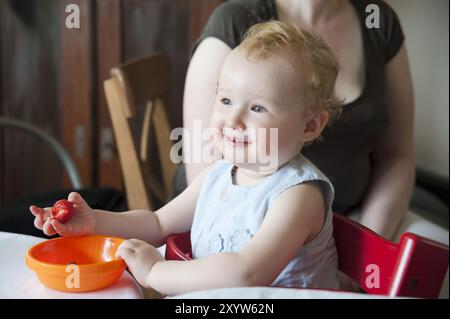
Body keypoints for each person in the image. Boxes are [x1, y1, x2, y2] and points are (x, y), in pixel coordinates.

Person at [30, 21, 342, 295]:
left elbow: (248, 272)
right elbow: (157, 222)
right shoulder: (220, 173)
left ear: (310, 125)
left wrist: (156, 272)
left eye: (258, 108)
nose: (232, 120)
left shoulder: (299, 194)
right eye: (226, 100)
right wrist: (96, 222)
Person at [181, 0, 449, 250]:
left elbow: (396, 155)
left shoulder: (376, 19)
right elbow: (211, 178)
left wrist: (367, 249)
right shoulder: (236, 20)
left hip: (360, 221)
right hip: (246, 226)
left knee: (436, 263)